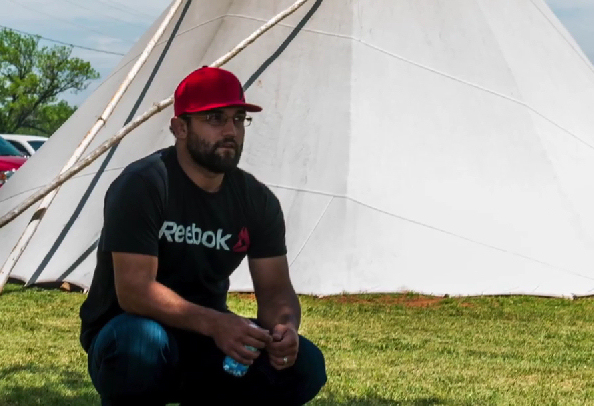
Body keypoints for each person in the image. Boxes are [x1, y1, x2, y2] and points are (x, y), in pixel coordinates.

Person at [79, 67, 327, 406]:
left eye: (239, 119)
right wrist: (216, 323)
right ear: (180, 127)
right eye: (215, 118)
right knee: (139, 346)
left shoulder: (257, 200)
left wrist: (284, 330)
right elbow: (135, 291)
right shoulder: (144, 184)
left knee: (306, 365)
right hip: (129, 332)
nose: (231, 131)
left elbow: (276, 290)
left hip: (206, 338)